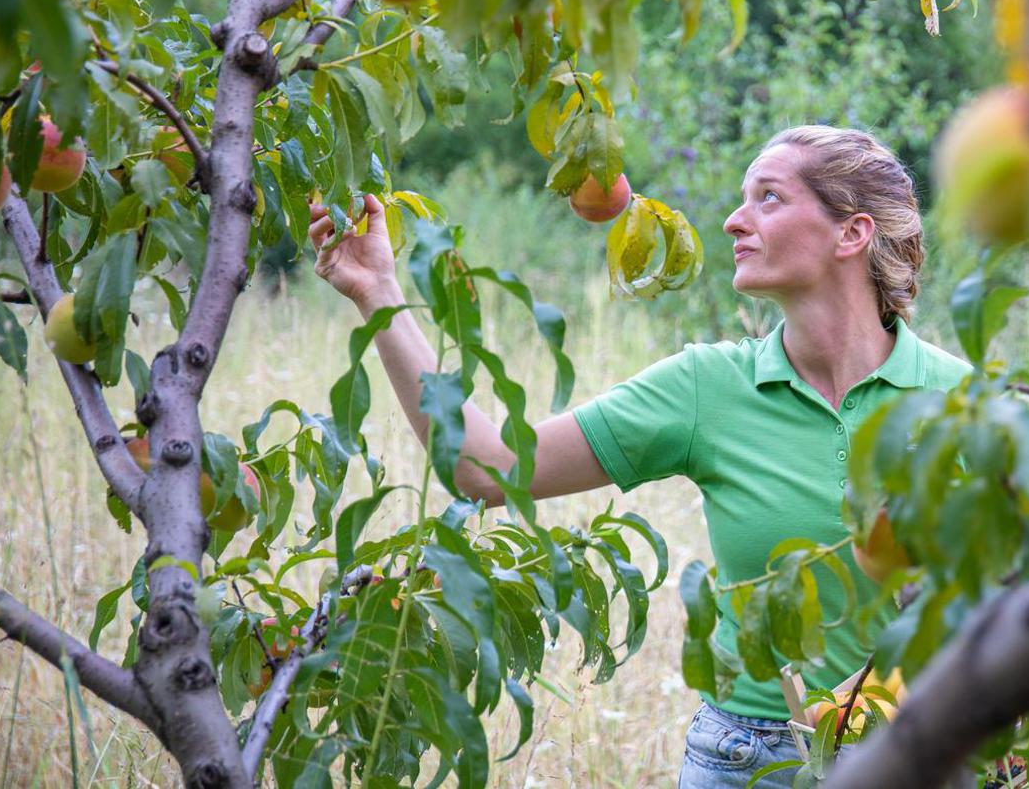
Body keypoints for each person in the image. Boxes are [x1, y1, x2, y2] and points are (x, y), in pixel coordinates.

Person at [309, 126, 971, 788]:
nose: (733, 220)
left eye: (768, 198)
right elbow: (484, 468)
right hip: (749, 761)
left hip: (928, 753)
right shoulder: (707, 387)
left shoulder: (969, 404)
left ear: (851, 233)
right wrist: (379, 290)